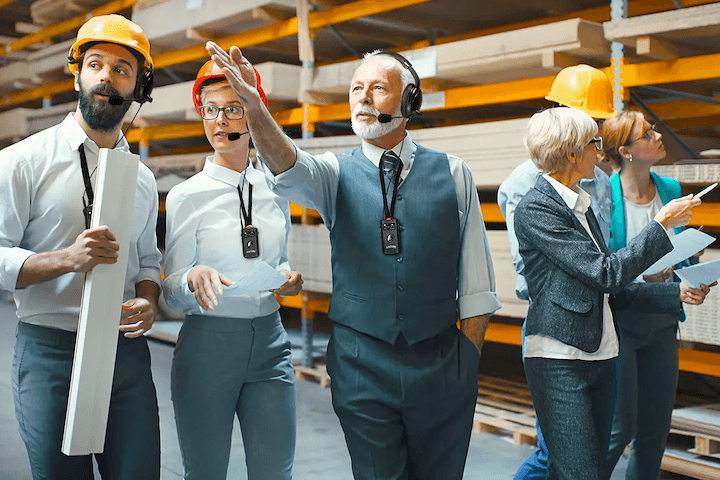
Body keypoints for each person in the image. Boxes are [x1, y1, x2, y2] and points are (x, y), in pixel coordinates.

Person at [206, 41, 501, 479]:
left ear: (409, 101)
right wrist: (253, 107)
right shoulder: (333, 172)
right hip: (361, 367)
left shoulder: (453, 173)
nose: (362, 96)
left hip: (441, 366)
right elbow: (288, 165)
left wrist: (465, 363)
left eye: (378, 88)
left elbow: (477, 281)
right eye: (356, 87)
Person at [0, 14, 162, 480]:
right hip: (49, 352)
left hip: (125, 356)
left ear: (137, 88)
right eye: (96, 64)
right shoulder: (22, 162)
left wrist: (149, 302)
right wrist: (65, 260)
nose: (107, 77)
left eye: (122, 69)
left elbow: (148, 261)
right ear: (77, 74)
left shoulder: (143, 179)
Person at [514, 107, 707, 480]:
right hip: (560, 358)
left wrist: (676, 293)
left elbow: (609, 291)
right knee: (579, 471)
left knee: (579, 469)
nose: (600, 152)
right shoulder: (537, 208)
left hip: (598, 353)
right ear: (571, 153)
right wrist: (660, 225)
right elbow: (607, 273)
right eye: (593, 143)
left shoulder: (580, 206)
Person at [162, 59, 302, 480]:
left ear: (252, 111)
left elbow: (278, 261)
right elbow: (170, 287)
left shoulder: (277, 188)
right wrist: (191, 277)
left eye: (233, 108)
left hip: (271, 345)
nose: (220, 120)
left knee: (275, 472)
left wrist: (288, 279)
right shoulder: (188, 195)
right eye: (210, 108)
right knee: (205, 472)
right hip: (208, 347)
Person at [498, 64, 616, 480]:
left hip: (599, 324)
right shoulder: (527, 190)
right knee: (557, 458)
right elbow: (534, 268)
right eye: (592, 130)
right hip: (557, 332)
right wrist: (603, 270)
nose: (599, 139)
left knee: (579, 461)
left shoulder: (597, 179)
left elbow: (603, 255)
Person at [601, 111, 712, 479]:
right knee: (620, 427)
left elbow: (683, 251)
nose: (658, 134)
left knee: (655, 428)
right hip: (622, 325)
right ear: (627, 151)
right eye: (647, 133)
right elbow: (611, 272)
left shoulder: (671, 190)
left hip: (663, 322)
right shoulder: (604, 198)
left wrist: (694, 279)